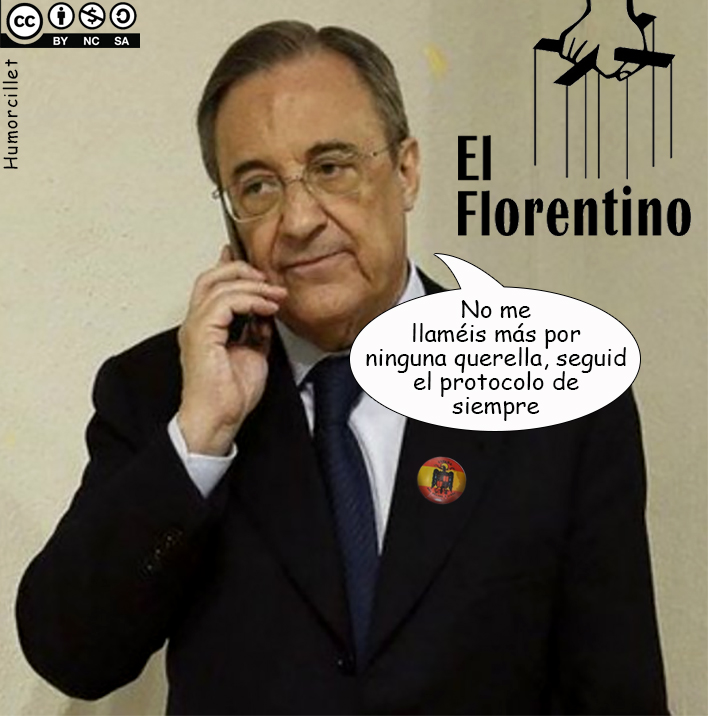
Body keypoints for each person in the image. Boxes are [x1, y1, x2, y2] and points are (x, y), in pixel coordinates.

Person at [16, 20, 668, 715]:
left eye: (331, 168)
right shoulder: (163, 392)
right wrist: (200, 438)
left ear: (406, 170)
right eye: (258, 186)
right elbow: (72, 653)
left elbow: (616, 692)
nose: (299, 219)